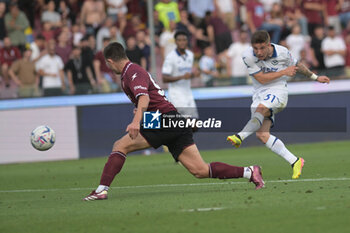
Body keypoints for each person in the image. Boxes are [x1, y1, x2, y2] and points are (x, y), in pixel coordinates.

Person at [83, 42, 265, 201]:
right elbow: (147, 100)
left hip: (163, 118)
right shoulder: (130, 73)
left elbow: (144, 99)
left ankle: (101, 190)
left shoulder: (132, 72)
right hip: (171, 119)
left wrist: (136, 121)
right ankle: (249, 172)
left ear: (110, 61)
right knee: (200, 170)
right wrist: (140, 112)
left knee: (120, 146)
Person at [226, 30, 330, 179]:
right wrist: (283, 72)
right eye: (256, 48)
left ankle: (240, 136)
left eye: (262, 48)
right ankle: (295, 161)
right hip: (259, 93)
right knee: (262, 135)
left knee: (260, 109)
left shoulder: (282, 52)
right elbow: (261, 79)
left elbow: (297, 66)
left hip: (278, 91)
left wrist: (315, 77)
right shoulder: (247, 56)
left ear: (269, 45)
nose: (259, 52)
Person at [162, 31, 199, 119]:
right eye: (179, 40)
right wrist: (181, 77)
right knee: (186, 123)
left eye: (184, 40)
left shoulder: (190, 55)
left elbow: (188, 75)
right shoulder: (170, 57)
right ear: (175, 42)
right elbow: (164, 78)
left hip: (188, 93)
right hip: (176, 94)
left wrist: (194, 75)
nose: (182, 42)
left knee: (195, 124)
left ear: (187, 41)